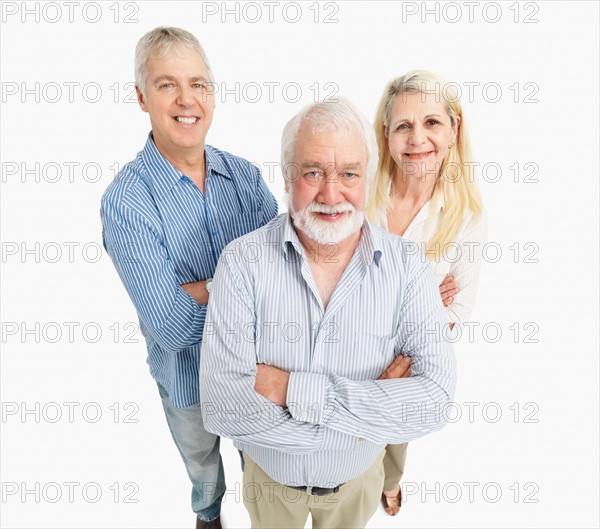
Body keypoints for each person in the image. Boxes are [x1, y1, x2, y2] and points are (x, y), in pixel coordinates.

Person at [200, 98, 457, 529]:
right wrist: (364, 421)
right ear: (286, 176)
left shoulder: (408, 266)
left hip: (356, 483)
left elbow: (433, 403)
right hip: (271, 484)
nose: (331, 193)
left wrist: (287, 389)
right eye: (313, 172)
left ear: (368, 179)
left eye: (349, 174)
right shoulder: (241, 262)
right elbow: (224, 408)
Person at [100, 27, 278, 529]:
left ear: (213, 96)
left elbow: (285, 277)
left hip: (257, 371)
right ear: (141, 97)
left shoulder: (246, 178)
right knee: (203, 470)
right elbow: (171, 327)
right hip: (187, 380)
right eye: (167, 85)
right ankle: (209, 514)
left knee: (263, 472)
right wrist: (241, 279)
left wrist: (199, 288)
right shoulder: (126, 202)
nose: (186, 100)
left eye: (198, 84)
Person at [366, 70, 486, 516]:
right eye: (403, 126)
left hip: (408, 363)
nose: (418, 138)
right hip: (343, 345)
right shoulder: (360, 193)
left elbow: (458, 311)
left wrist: (420, 316)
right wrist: (420, 303)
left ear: (454, 129)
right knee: (345, 448)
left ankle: (391, 482)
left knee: (393, 443)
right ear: (387, 134)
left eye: (432, 123)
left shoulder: (467, 219)